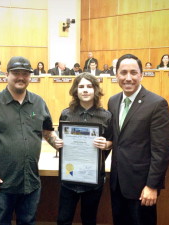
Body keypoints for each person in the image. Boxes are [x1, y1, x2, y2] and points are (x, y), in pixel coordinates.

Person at [0, 56, 62, 225]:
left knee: (28, 221)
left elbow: (47, 131)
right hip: (1, 182)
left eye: (25, 74)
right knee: (1, 222)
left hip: (30, 181)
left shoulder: (38, 103)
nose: (21, 77)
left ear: (30, 76)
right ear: (7, 75)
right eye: (16, 73)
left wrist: (61, 144)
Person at [107, 54, 169, 225]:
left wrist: (152, 186)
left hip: (142, 188)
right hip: (117, 184)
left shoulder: (157, 104)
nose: (128, 78)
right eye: (123, 72)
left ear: (141, 75)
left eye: (134, 73)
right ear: (116, 75)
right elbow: (115, 138)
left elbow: (161, 151)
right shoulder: (113, 101)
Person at [57, 73, 112, 225]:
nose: (85, 90)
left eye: (89, 86)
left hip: (93, 179)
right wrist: (59, 143)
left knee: (89, 219)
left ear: (96, 90)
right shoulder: (66, 114)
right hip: (69, 178)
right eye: (81, 87)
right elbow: (60, 139)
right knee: (63, 219)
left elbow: (112, 141)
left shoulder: (106, 116)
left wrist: (106, 144)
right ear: (75, 90)